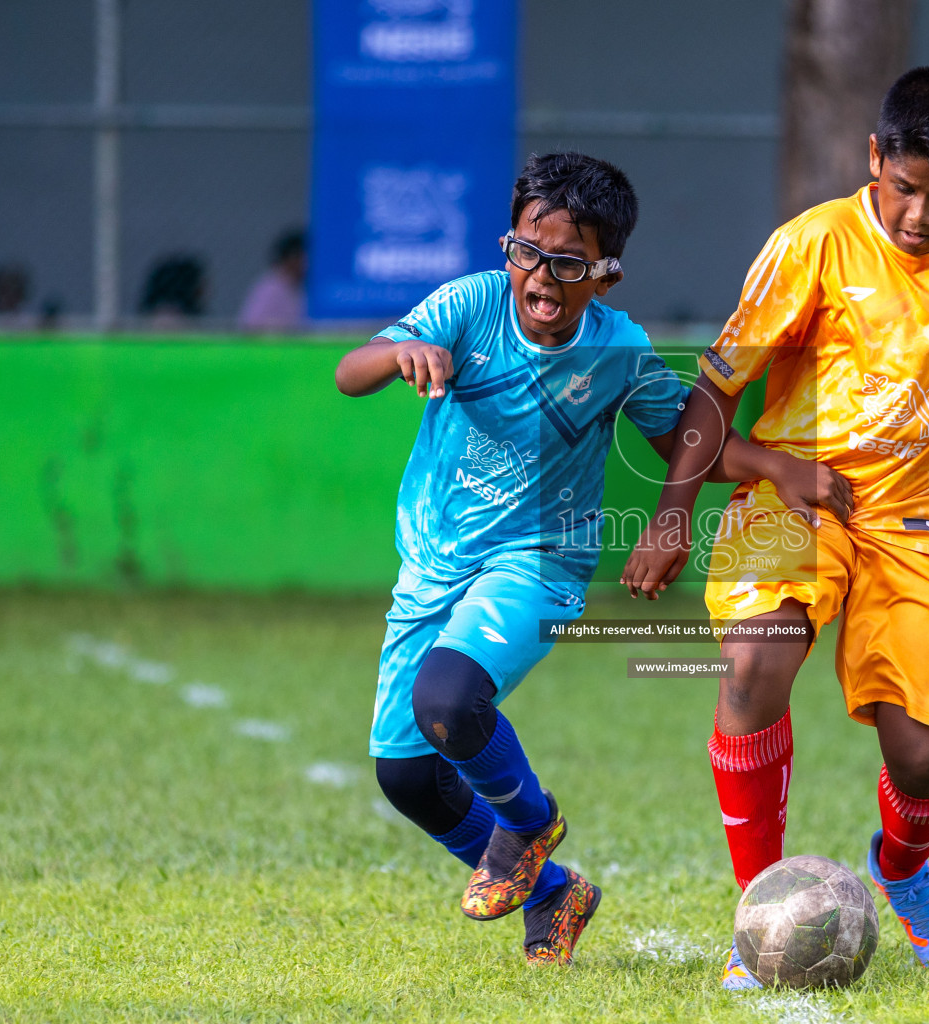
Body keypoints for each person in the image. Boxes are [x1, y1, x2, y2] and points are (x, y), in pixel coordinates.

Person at [620, 66, 929, 985]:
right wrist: (671, 515)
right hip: (793, 493)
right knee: (754, 660)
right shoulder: (813, 244)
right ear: (874, 157)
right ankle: (761, 910)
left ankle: (905, 872)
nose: (917, 213)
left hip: (922, 517)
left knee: (921, 756)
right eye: (903, 187)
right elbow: (717, 385)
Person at [333, 151, 795, 965]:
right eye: (526, 252)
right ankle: (555, 890)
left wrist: (759, 470)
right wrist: (399, 355)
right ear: (508, 246)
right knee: (405, 776)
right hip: (434, 563)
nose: (541, 276)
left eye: (568, 262)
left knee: (449, 697)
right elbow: (350, 372)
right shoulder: (469, 305)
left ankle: (530, 823)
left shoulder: (617, 349)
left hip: (539, 563)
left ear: (605, 275)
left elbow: (688, 434)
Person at [238, 229, 307, 331]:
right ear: (292, 258)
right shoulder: (271, 286)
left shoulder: (300, 286)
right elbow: (250, 325)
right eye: (302, 257)